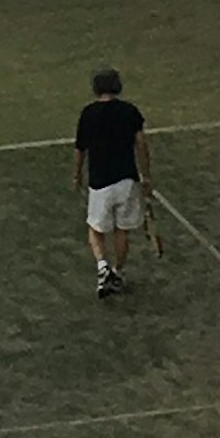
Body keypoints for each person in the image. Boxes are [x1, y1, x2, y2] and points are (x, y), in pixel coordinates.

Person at [74, 67, 151, 298]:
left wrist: (76, 175)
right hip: (127, 180)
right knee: (122, 230)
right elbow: (141, 144)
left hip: (100, 183)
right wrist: (146, 176)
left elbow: (80, 149)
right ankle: (117, 272)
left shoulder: (88, 114)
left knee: (95, 229)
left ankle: (102, 267)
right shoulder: (129, 112)